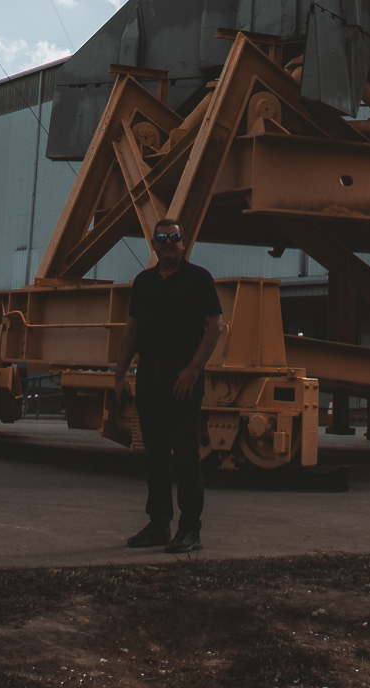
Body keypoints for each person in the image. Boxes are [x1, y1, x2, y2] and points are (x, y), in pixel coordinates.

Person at [114, 219, 223, 555]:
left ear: (183, 242)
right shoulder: (144, 283)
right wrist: (119, 377)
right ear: (153, 243)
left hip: (183, 378)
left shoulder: (199, 279)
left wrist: (192, 370)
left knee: (186, 454)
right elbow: (131, 331)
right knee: (155, 453)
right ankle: (159, 523)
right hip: (150, 375)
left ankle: (190, 528)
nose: (168, 244)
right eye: (162, 238)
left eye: (174, 238)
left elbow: (214, 327)